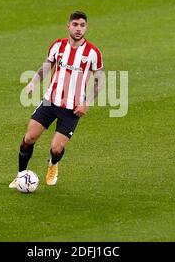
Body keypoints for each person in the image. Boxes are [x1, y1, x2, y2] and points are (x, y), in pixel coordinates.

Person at [9, 11, 105, 188]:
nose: (78, 29)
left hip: (72, 109)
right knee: (29, 138)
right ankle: (20, 175)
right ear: (68, 26)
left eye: (82, 25)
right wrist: (33, 83)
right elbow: (46, 66)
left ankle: (53, 164)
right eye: (75, 25)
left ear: (86, 28)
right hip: (49, 102)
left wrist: (86, 103)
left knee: (56, 148)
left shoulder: (93, 53)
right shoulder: (58, 46)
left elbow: (100, 80)